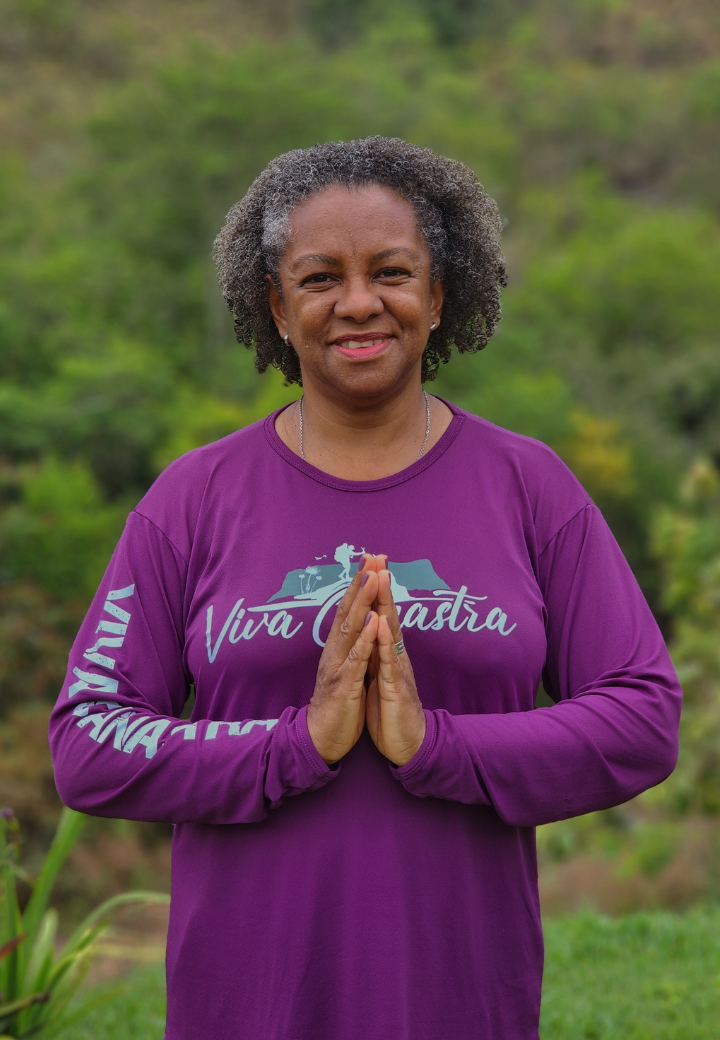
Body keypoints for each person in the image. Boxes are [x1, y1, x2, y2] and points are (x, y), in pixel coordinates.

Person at [49, 137, 681, 1040]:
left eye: (391, 271)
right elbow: (88, 738)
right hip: (245, 1008)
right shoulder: (193, 498)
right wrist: (292, 745)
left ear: (438, 293)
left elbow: (642, 715)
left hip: (462, 1006)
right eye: (319, 278)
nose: (357, 302)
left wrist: (441, 746)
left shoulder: (528, 485)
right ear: (277, 306)